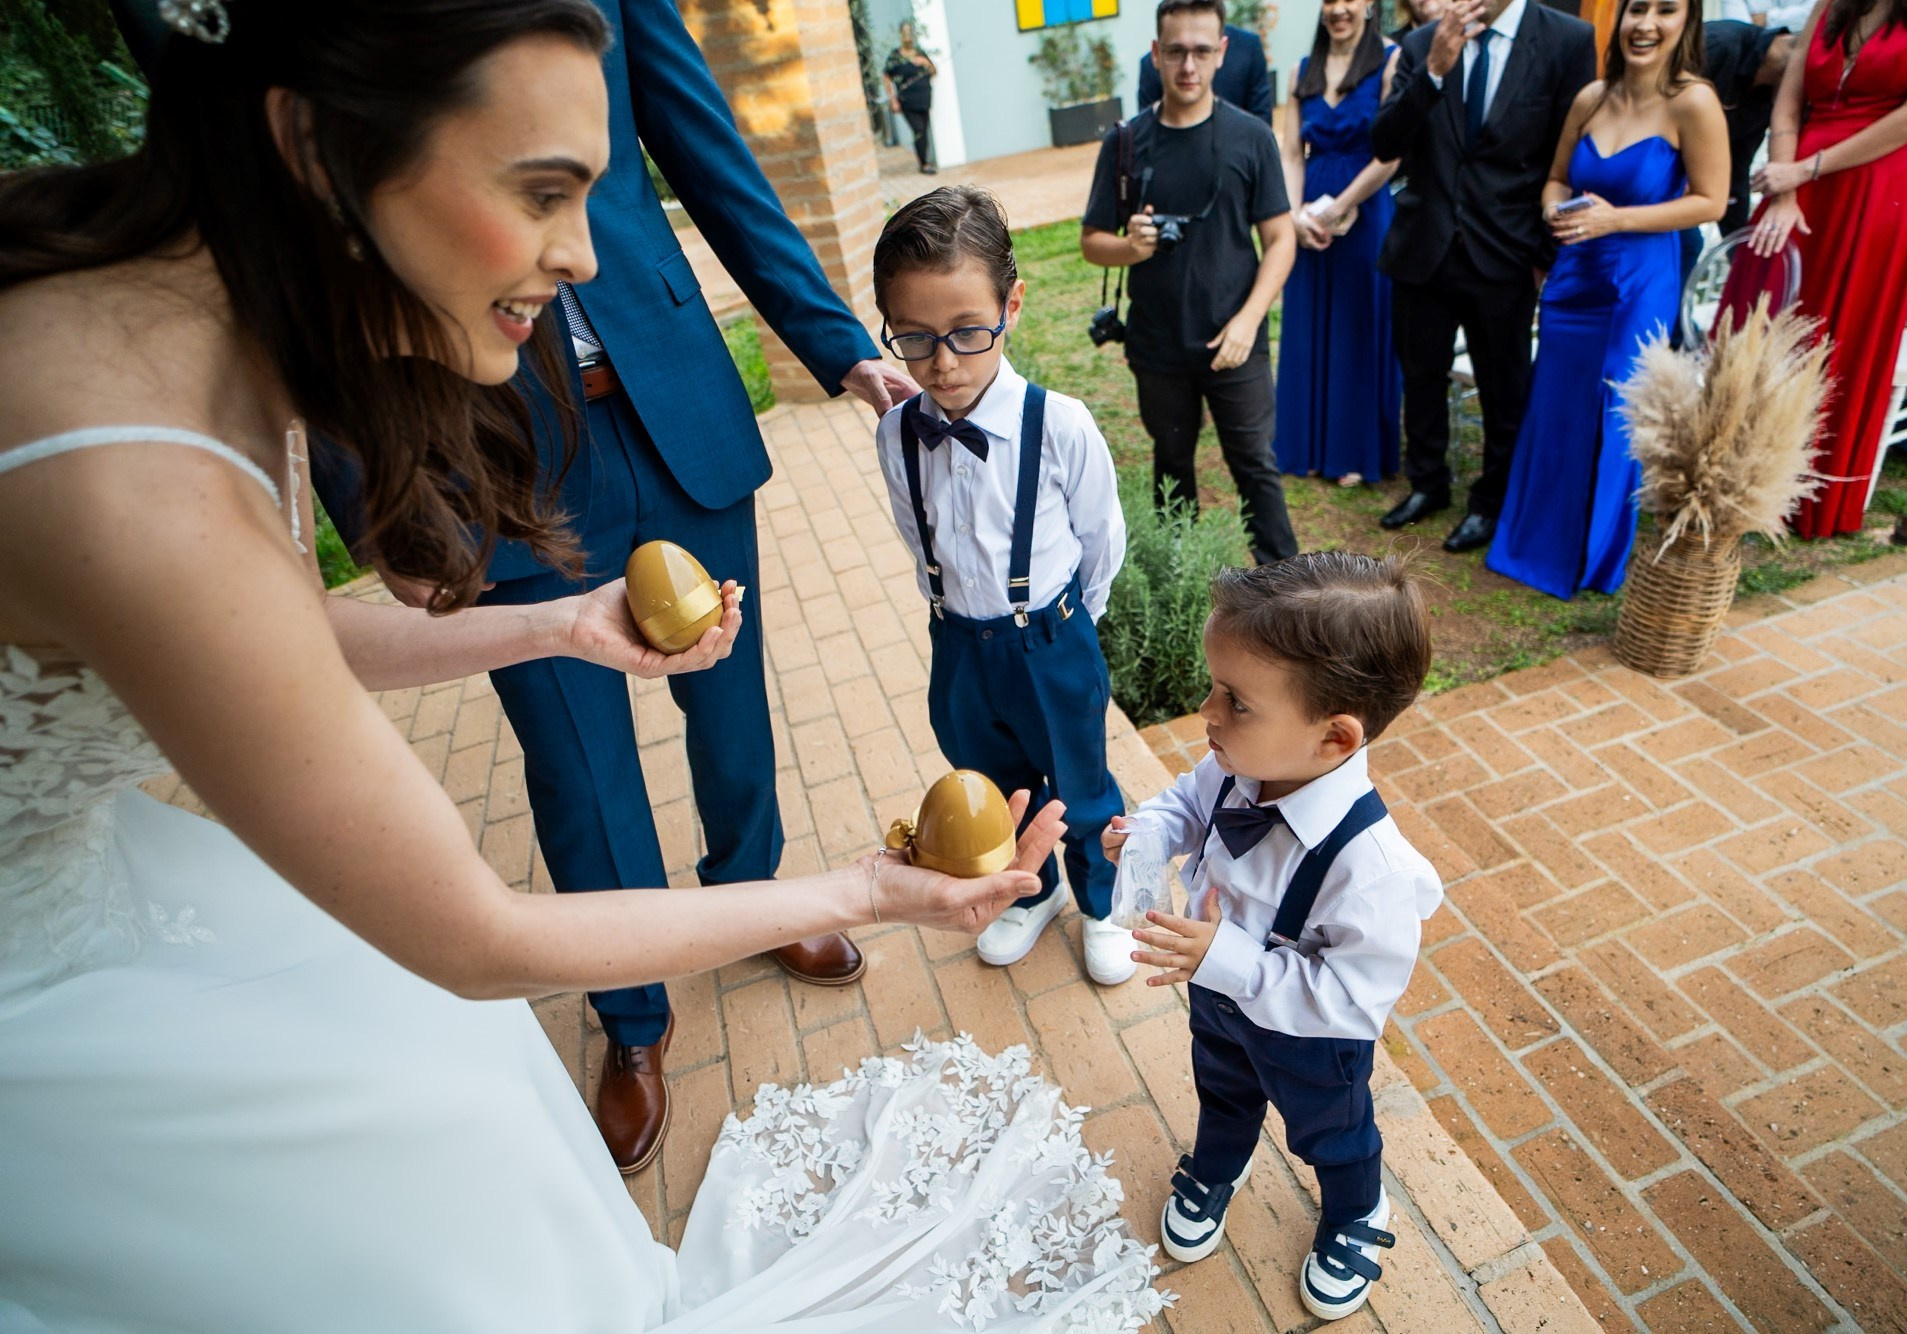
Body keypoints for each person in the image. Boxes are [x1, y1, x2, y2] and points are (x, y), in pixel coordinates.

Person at [0, 4, 1171, 1327]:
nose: (578, 253)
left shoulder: (163, 333)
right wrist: (862, 886)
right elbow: (475, 937)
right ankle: (639, 1018)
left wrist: (555, 622)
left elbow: (268, 628)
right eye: (544, 192)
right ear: (316, 147)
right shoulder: (134, 490)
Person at [297, 0, 924, 1175]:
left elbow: (712, 157)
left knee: (731, 707)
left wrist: (832, 339)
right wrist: (378, 502)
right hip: (494, 451)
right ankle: (632, 1016)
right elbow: (309, 246)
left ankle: (759, 899)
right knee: (578, 769)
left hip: (671, 405)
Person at [1106, 552, 1443, 1323]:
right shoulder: (1234, 765)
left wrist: (1223, 959)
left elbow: (1352, 1000)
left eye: (1235, 700)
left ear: (1334, 738)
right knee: (1222, 1093)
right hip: (1218, 1005)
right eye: (1214, 687)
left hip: (1311, 1041)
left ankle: (1357, 1211)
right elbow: (1182, 804)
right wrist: (1149, 834)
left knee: (1334, 1134)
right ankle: (1216, 1167)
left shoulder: (1374, 869)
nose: (1207, 712)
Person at [873, 187, 1132, 985]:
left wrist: (1061, 630)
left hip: (1051, 639)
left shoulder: (1061, 426)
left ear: (1011, 306)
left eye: (966, 332)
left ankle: (1103, 902)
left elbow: (1102, 543)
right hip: (957, 642)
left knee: (1082, 788)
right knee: (991, 784)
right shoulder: (897, 433)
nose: (942, 362)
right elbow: (916, 535)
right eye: (914, 339)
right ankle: (1033, 892)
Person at [1487, 0, 1730, 598]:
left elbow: (1711, 201)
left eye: (1664, 11)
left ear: (1686, 23)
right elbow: (1557, 179)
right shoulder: (1591, 98)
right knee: (1556, 404)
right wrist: (1553, 209)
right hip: (1575, 275)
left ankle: (1593, 556)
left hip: (1639, 279)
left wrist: (1618, 220)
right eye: (1635, 10)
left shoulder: (1693, 102)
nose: (1645, 24)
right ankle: (1532, 539)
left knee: (1614, 410)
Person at [1747, 0, 1907, 537]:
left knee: (1840, 336)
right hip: (1798, 179)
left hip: (1879, 184)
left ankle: (1804, 492)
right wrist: (1787, 189)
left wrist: (1807, 169)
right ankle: (1733, 472)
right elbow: (1788, 102)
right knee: (1761, 322)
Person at [1370, 0, 1600, 554]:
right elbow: (1384, 144)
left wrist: (1543, 253)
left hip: (1505, 254)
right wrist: (1433, 73)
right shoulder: (1426, 43)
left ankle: (1490, 502)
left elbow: (1565, 161)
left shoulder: (1568, 40)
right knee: (1421, 376)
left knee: (1504, 389)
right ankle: (1428, 484)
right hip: (1423, 246)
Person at [1083, 0, 1301, 567]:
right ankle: (1184, 581)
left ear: (1222, 53)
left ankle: (1288, 593)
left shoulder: (1251, 137)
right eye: (1176, 51)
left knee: (1255, 465)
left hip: (1236, 341)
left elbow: (1281, 239)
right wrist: (1129, 248)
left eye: (1202, 51)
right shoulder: (1126, 143)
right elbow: (1091, 242)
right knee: (1172, 459)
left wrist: (1249, 320)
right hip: (1157, 346)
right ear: (1156, 54)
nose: (1188, 66)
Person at [1274, 0, 1404, 486]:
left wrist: (1340, 206)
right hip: (1310, 220)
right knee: (1309, 324)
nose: (1339, 9)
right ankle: (1305, 444)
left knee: (1357, 326)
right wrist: (1294, 215)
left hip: (1364, 213)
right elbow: (1291, 151)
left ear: (1369, 4)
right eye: (1330, 1)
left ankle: (1353, 450)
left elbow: (1391, 153)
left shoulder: (1390, 60)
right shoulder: (1300, 70)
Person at [1706, 19, 1797, 232]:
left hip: (1680, 188)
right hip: (1642, 165)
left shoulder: (1768, 96)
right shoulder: (1719, 44)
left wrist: (1737, 249)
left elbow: (1735, 170)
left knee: (1691, 244)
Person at [1137, 19, 1276, 121]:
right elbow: (1148, 132)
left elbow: (1261, 122)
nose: (1189, 67)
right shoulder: (1153, 64)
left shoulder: (1248, 48)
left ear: (1221, 50)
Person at [885, 22, 939, 174]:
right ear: (900, 35)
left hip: (924, 99)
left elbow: (934, 71)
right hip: (907, 101)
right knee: (918, 129)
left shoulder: (920, 53)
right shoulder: (895, 56)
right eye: (905, 32)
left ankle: (924, 161)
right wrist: (893, 99)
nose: (908, 36)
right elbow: (886, 77)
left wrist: (926, 62)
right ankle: (924, 164)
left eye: (910, 32)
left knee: (923, 130)